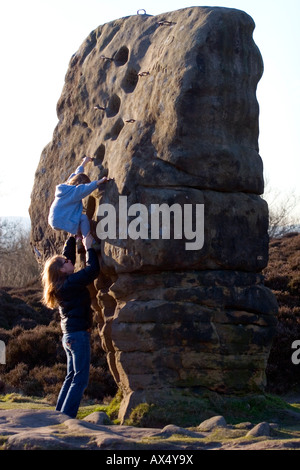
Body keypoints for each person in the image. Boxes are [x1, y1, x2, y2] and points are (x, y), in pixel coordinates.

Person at [42, 232, 100, 418]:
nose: (69, 261)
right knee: (80, 379)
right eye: (65, 262)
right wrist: (89, 247)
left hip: (69, 336)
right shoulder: (70, 283)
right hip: (78, 335)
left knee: (71, 376)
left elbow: (67, 259)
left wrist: (72, 239)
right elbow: (92, 271)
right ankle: (67, 418)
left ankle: (59, 416)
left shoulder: (60, 283)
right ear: (61, 270)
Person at [48, 156, 108, 240]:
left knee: (75, 219)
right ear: (79, 184)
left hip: (54, 219)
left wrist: (84, 162)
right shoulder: (75, 192)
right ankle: (87, 239)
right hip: (61, 220)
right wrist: (99, 182)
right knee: (83, 218)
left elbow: (76, 174)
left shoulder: (65, 187)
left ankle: (78, 238)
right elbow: (84, 189)